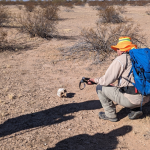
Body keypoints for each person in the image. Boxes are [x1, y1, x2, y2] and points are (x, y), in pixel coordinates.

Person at [87, 36, 150, 122]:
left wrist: (94, 80)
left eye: (117, 49)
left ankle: (110, 115)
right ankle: (136, 110)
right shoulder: (139, 58)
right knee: (136, 85)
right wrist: (116, 86)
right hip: (146, 98)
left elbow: (106, 80)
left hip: (131, 100)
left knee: (100, 88)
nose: (116, 51)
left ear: (121, 49)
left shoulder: (121, 59)